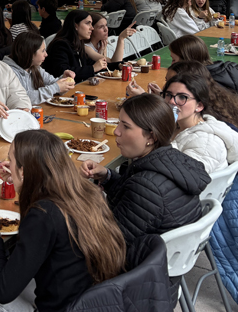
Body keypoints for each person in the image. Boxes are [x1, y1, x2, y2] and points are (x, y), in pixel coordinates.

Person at [0, 130, 126, 312]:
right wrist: (24, 181)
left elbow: (4, 291)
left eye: (11, 159)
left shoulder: (43, 214)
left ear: (24, 170)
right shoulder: (86, 192)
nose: (8, 163)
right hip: (95, 305)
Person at [81, 93, 210, 244]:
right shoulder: (171, 160)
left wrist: (89, 200)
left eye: (126, 126)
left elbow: (110, 242)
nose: (117, 131)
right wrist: (107, 176)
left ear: (151, 137)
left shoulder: (146, 186)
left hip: (136, 261)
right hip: (160, 254)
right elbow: (135, 202)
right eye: (118, 123)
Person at [162, 73, 238, 173]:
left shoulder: (206, 142)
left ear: (199, 106)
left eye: (182, 97)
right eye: (168, 95)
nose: (171, 101)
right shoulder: (175, 126)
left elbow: (186, 177)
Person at [163, 35, 238, 96]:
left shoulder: (198, 85)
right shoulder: (217, 71)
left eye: (174, 60)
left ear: (187, 61)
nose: (172, 64)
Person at [4, 32, 76, 105]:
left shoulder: (35, 67)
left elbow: (54, 86)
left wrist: (63, 80)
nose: (46, 54)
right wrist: (56, 87)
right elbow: (24, 99)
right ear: (30, 53)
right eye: (43, 51)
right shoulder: (9, 71)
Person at [43, 10, 108, 81]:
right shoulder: (60, 45)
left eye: (91, 24)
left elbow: (90, 63)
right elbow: (63, 71)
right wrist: (93, 68)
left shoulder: (78, 44)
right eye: (88, 23)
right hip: (61, 90)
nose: (92, 28)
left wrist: (119, 65)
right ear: (75, 26)